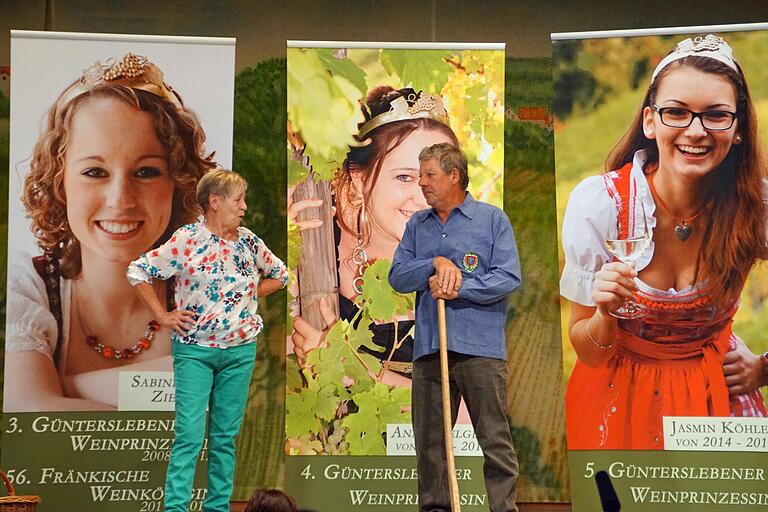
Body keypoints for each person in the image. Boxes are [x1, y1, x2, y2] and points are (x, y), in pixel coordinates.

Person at [560, 34, 768, 450]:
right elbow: (590, 353)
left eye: (716, 115)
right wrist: (604, 312)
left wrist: (764, 368)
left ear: (739, 127)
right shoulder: (602, 205)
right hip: (618, 404)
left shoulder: (755, 205)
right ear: (650, 121)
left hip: (718, 402)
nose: (696, 131)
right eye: (676, 112)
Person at [5, 53, 216, 411]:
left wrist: (66, 387)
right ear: (59, 183)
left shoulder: (207, 291)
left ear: (179, 183)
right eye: (94, 172)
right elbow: (26, 411)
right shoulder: (27, 285)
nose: (121, 200)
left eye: (146, 172)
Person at [126, 169, 288, 512]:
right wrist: (161, 314)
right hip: (195, 352)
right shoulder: (187, 239)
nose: (243, 207)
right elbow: (138, 270)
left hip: (239, 352)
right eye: (237, 199)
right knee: (188, 435)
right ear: (214, 202)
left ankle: (216, 508)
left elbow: (281, 275)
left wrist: (246, 295)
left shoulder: (249, 241)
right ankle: (176, 509)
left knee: (224, 439)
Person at [290, 86, 460, 382]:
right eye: (405, 177)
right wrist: (280, 255)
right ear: (359, 180)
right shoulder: (314, 237)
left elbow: (468, 417)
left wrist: (353, 371)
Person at [389, 143, 521, 512]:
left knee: (494, 439)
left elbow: (508, 276)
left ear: (454, 176)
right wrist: (434, 263)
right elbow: (398, 276)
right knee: (430, 443)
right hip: (431, 349)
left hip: (480, 348)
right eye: (419, 176)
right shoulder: (418, 224)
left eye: (429, 175)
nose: (422, 184)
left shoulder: (492, 219)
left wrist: (460, 284)